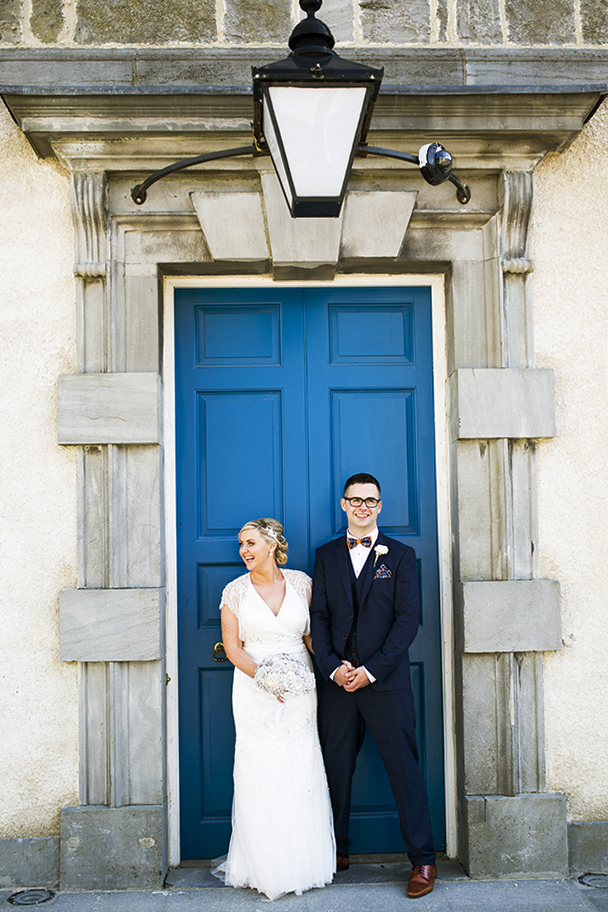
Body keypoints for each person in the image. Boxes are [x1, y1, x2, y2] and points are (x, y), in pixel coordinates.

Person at [310, 473, 437, 899]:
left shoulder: (400, 556)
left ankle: (423, 860)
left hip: (385, 683)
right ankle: (336, 850)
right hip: (337, 683)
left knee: (404, 770)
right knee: (335, 768)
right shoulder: (325, 555)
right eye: (355, 500)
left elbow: (406, 623)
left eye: (371, 500)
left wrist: (370, 670)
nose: (363, 506)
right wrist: (332, 668)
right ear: (343, 504)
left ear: (380, 506)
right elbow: (320, 618)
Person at [215, 518, 336, 901]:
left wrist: (333, 666)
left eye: (250, 543)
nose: (243, 551)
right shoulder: (233, 593)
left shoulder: (302, 584)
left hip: (301, 687)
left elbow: (312, 636)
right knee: (260, 765)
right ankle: (261, 865)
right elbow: (233, 649)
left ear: (271, 545)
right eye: (240, 545)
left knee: (299, 762)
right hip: (254, 689)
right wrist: (266, 677)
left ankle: (304, 862)